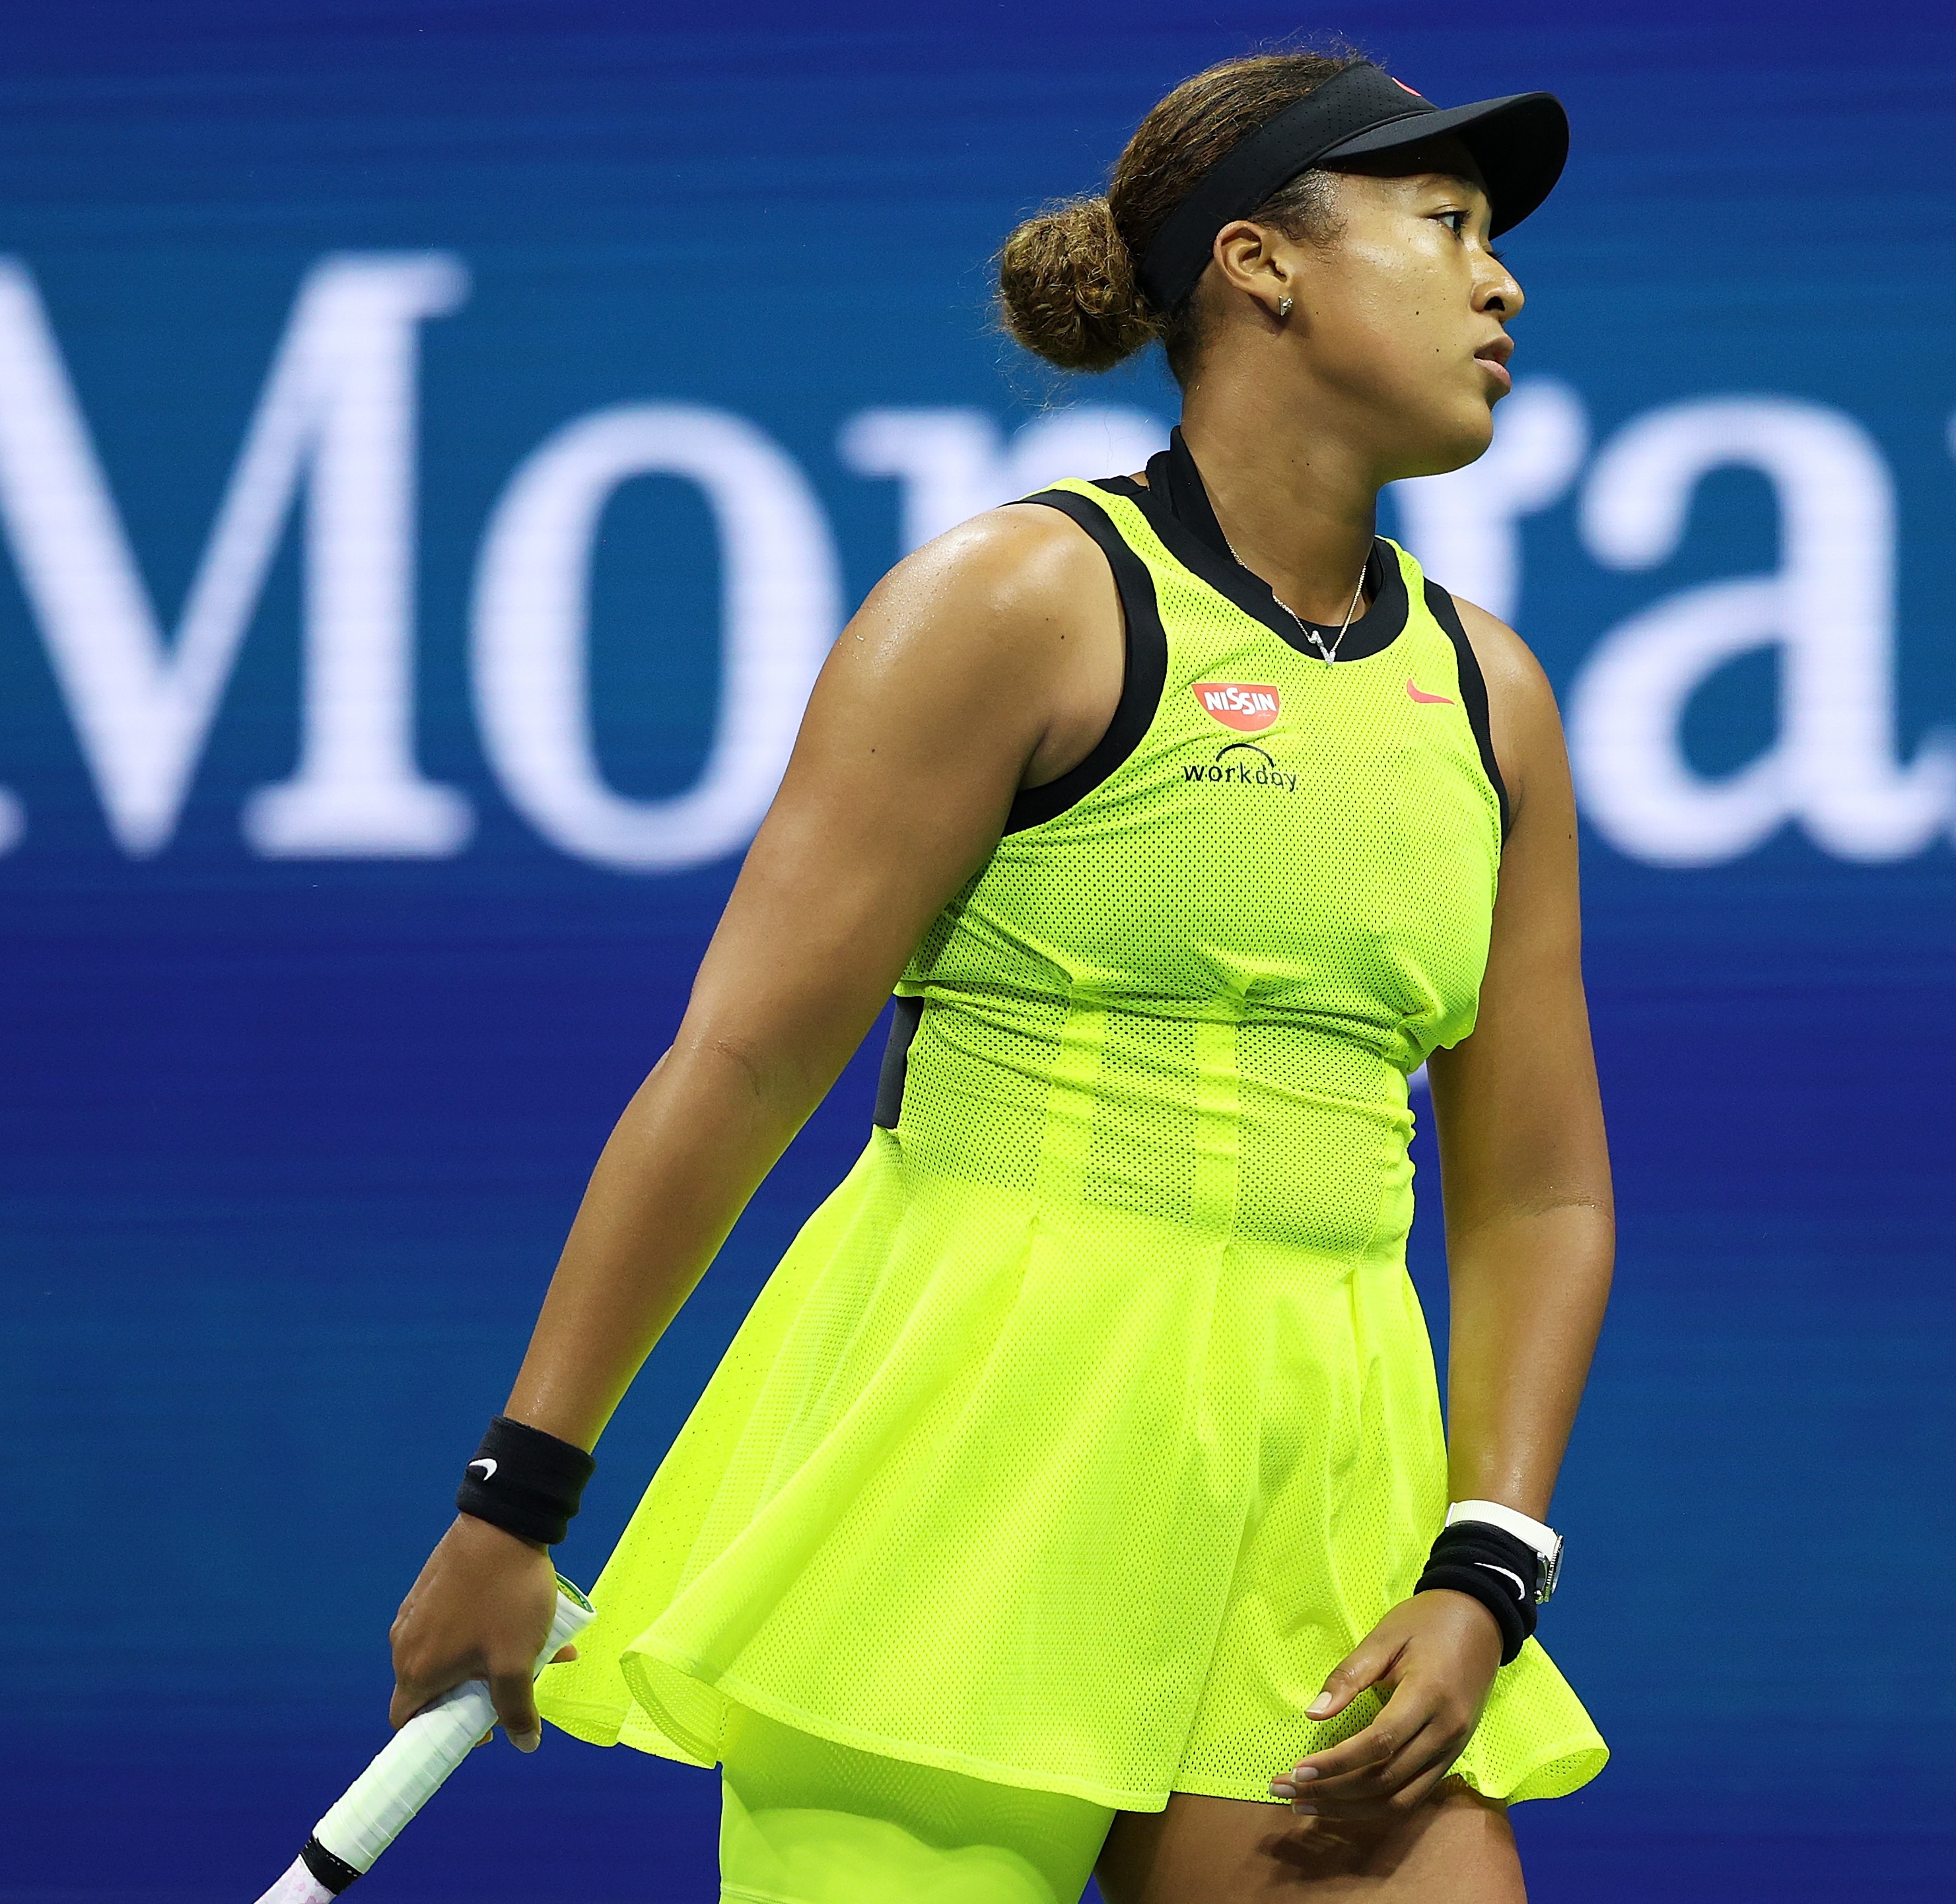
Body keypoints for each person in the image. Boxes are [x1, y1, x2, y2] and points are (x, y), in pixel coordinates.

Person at [383, 46, 1612, 1904]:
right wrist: (515, 1506)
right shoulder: (1018, 603)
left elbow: (1539, 1187)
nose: (1503, 278)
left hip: (1321, 1513)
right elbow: (734, 1069)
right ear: (1263, 266)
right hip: (959, 1475)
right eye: (1445, 224)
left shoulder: (1493, 692)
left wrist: (1483, 1563)